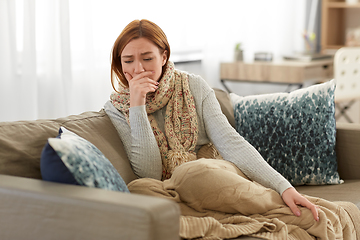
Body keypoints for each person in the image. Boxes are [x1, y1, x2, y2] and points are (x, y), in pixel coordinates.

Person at [104, 19, 319, 222]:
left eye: (147, 58)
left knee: (192, 173)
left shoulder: (194, 86)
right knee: (141, 188)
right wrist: (137, 105)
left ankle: (279, 206)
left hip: (213, 175)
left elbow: (230, 142)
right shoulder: (117, 107)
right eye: (128, 61)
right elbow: (150, 173)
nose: (138, 69)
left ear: (164, 57)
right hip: (170, 189)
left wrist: (284, 187)